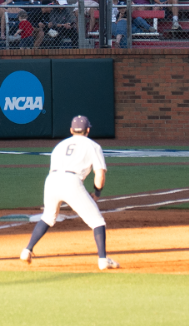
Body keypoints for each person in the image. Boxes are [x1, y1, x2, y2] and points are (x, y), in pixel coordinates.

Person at [19, 114, 117, 270]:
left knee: (48, 217)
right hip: (71, 181)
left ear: (71, 130)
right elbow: (99, 174)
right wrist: (97, 194)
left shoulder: (59, 145)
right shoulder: (93, 146)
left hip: (51, 180)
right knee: (97, 222)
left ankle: (27, 250)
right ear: (88, 130)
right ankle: (103, 260)